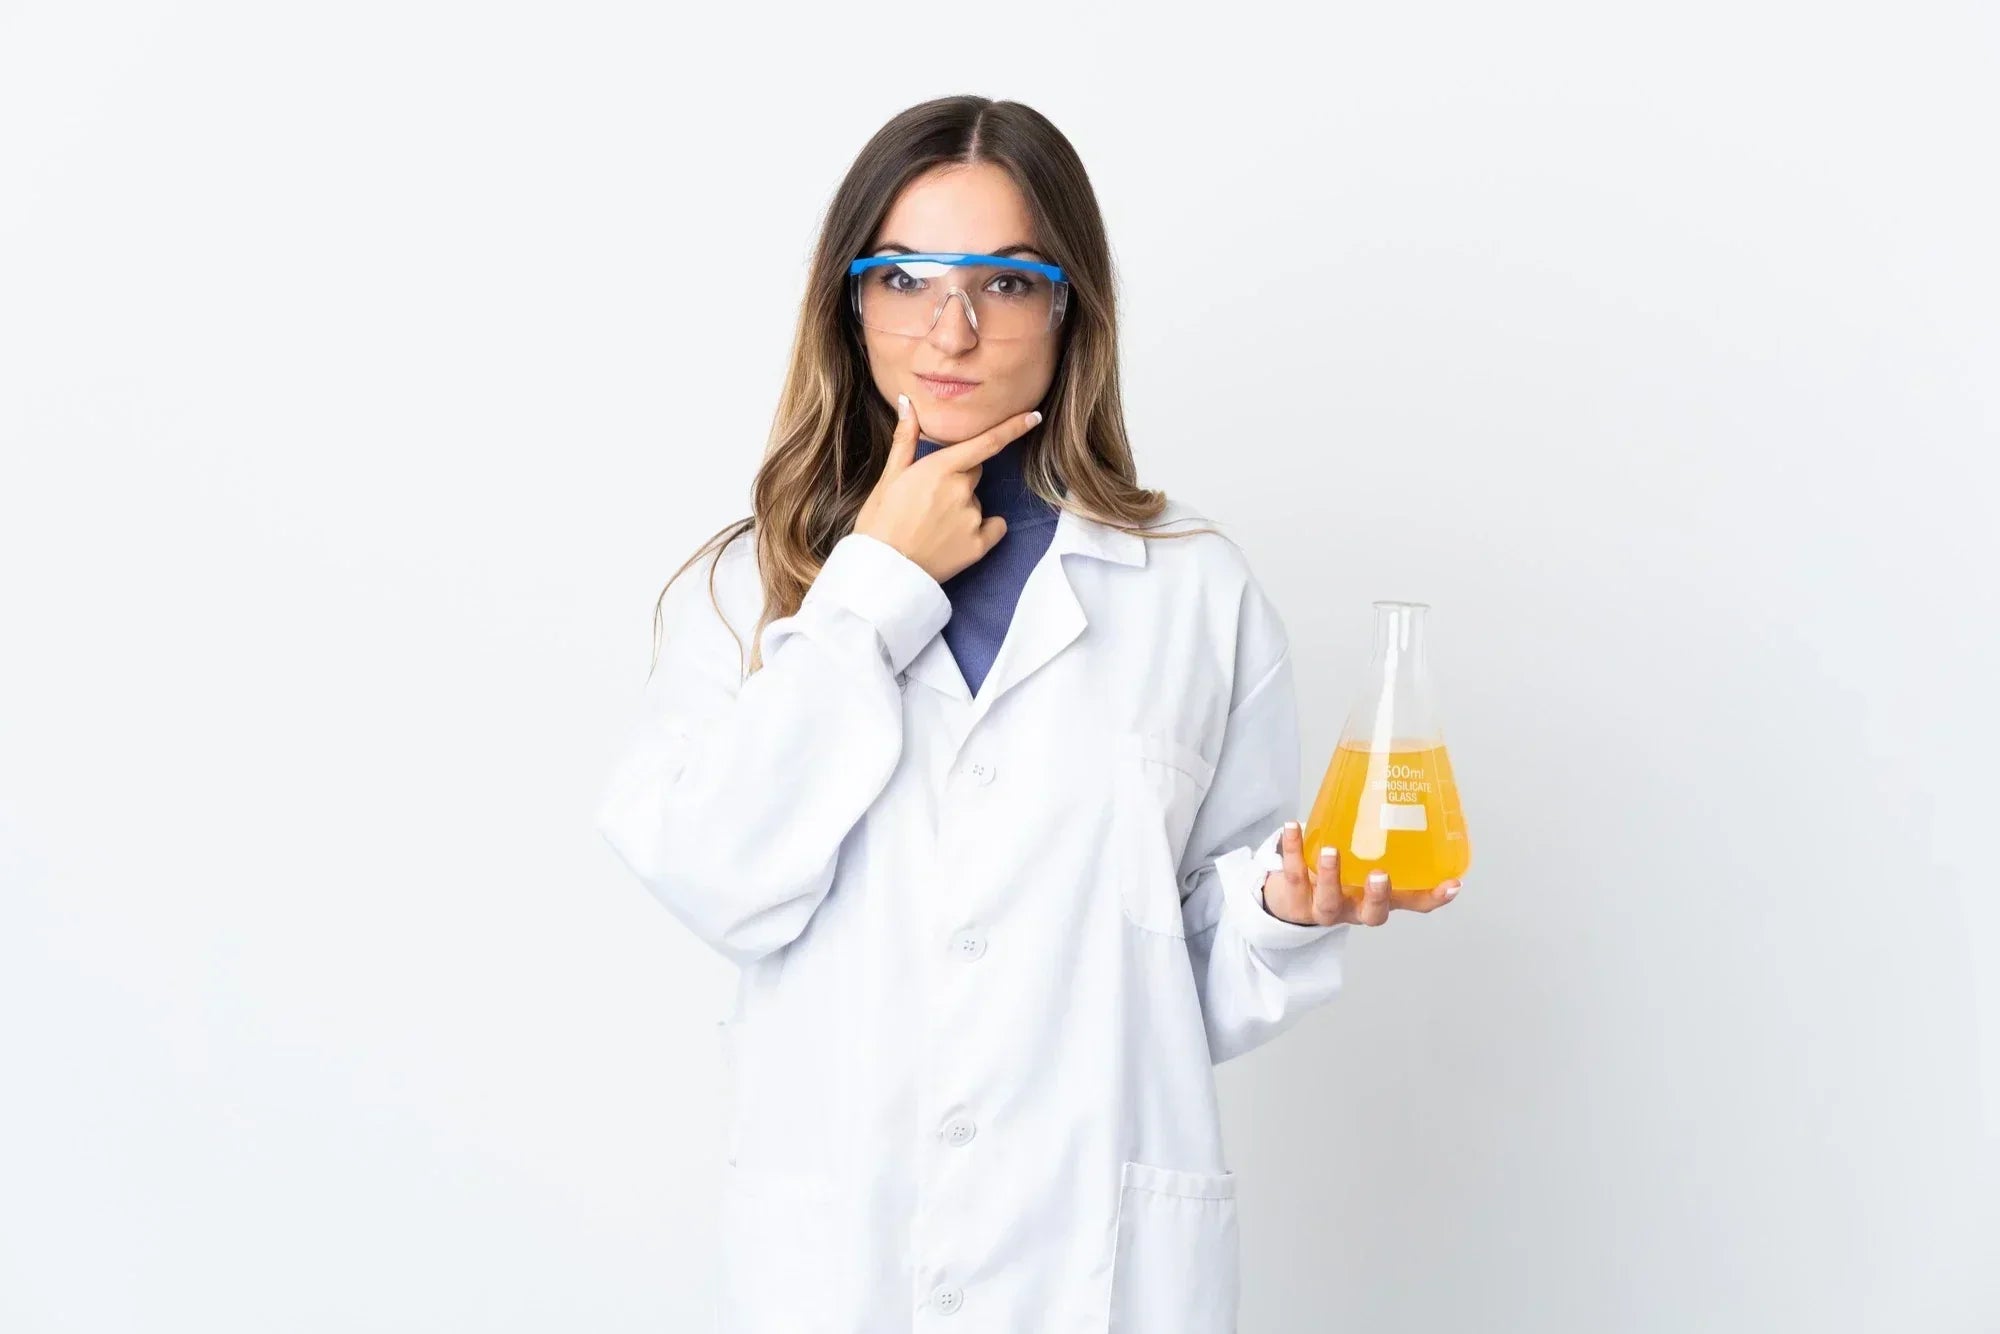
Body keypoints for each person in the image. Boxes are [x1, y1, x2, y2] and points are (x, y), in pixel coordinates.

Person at [594, 94, 1464, 1334]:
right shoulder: (750, 587)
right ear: (850, 302)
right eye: (903, 275)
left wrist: (1278, 908)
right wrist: (871, 593)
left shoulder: (1188, 589)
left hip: (1094, 1268)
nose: (948, 328)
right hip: (845, 1260)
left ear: (1069, 309)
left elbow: (1178, 984)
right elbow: (718, 872)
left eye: (1004, 281)